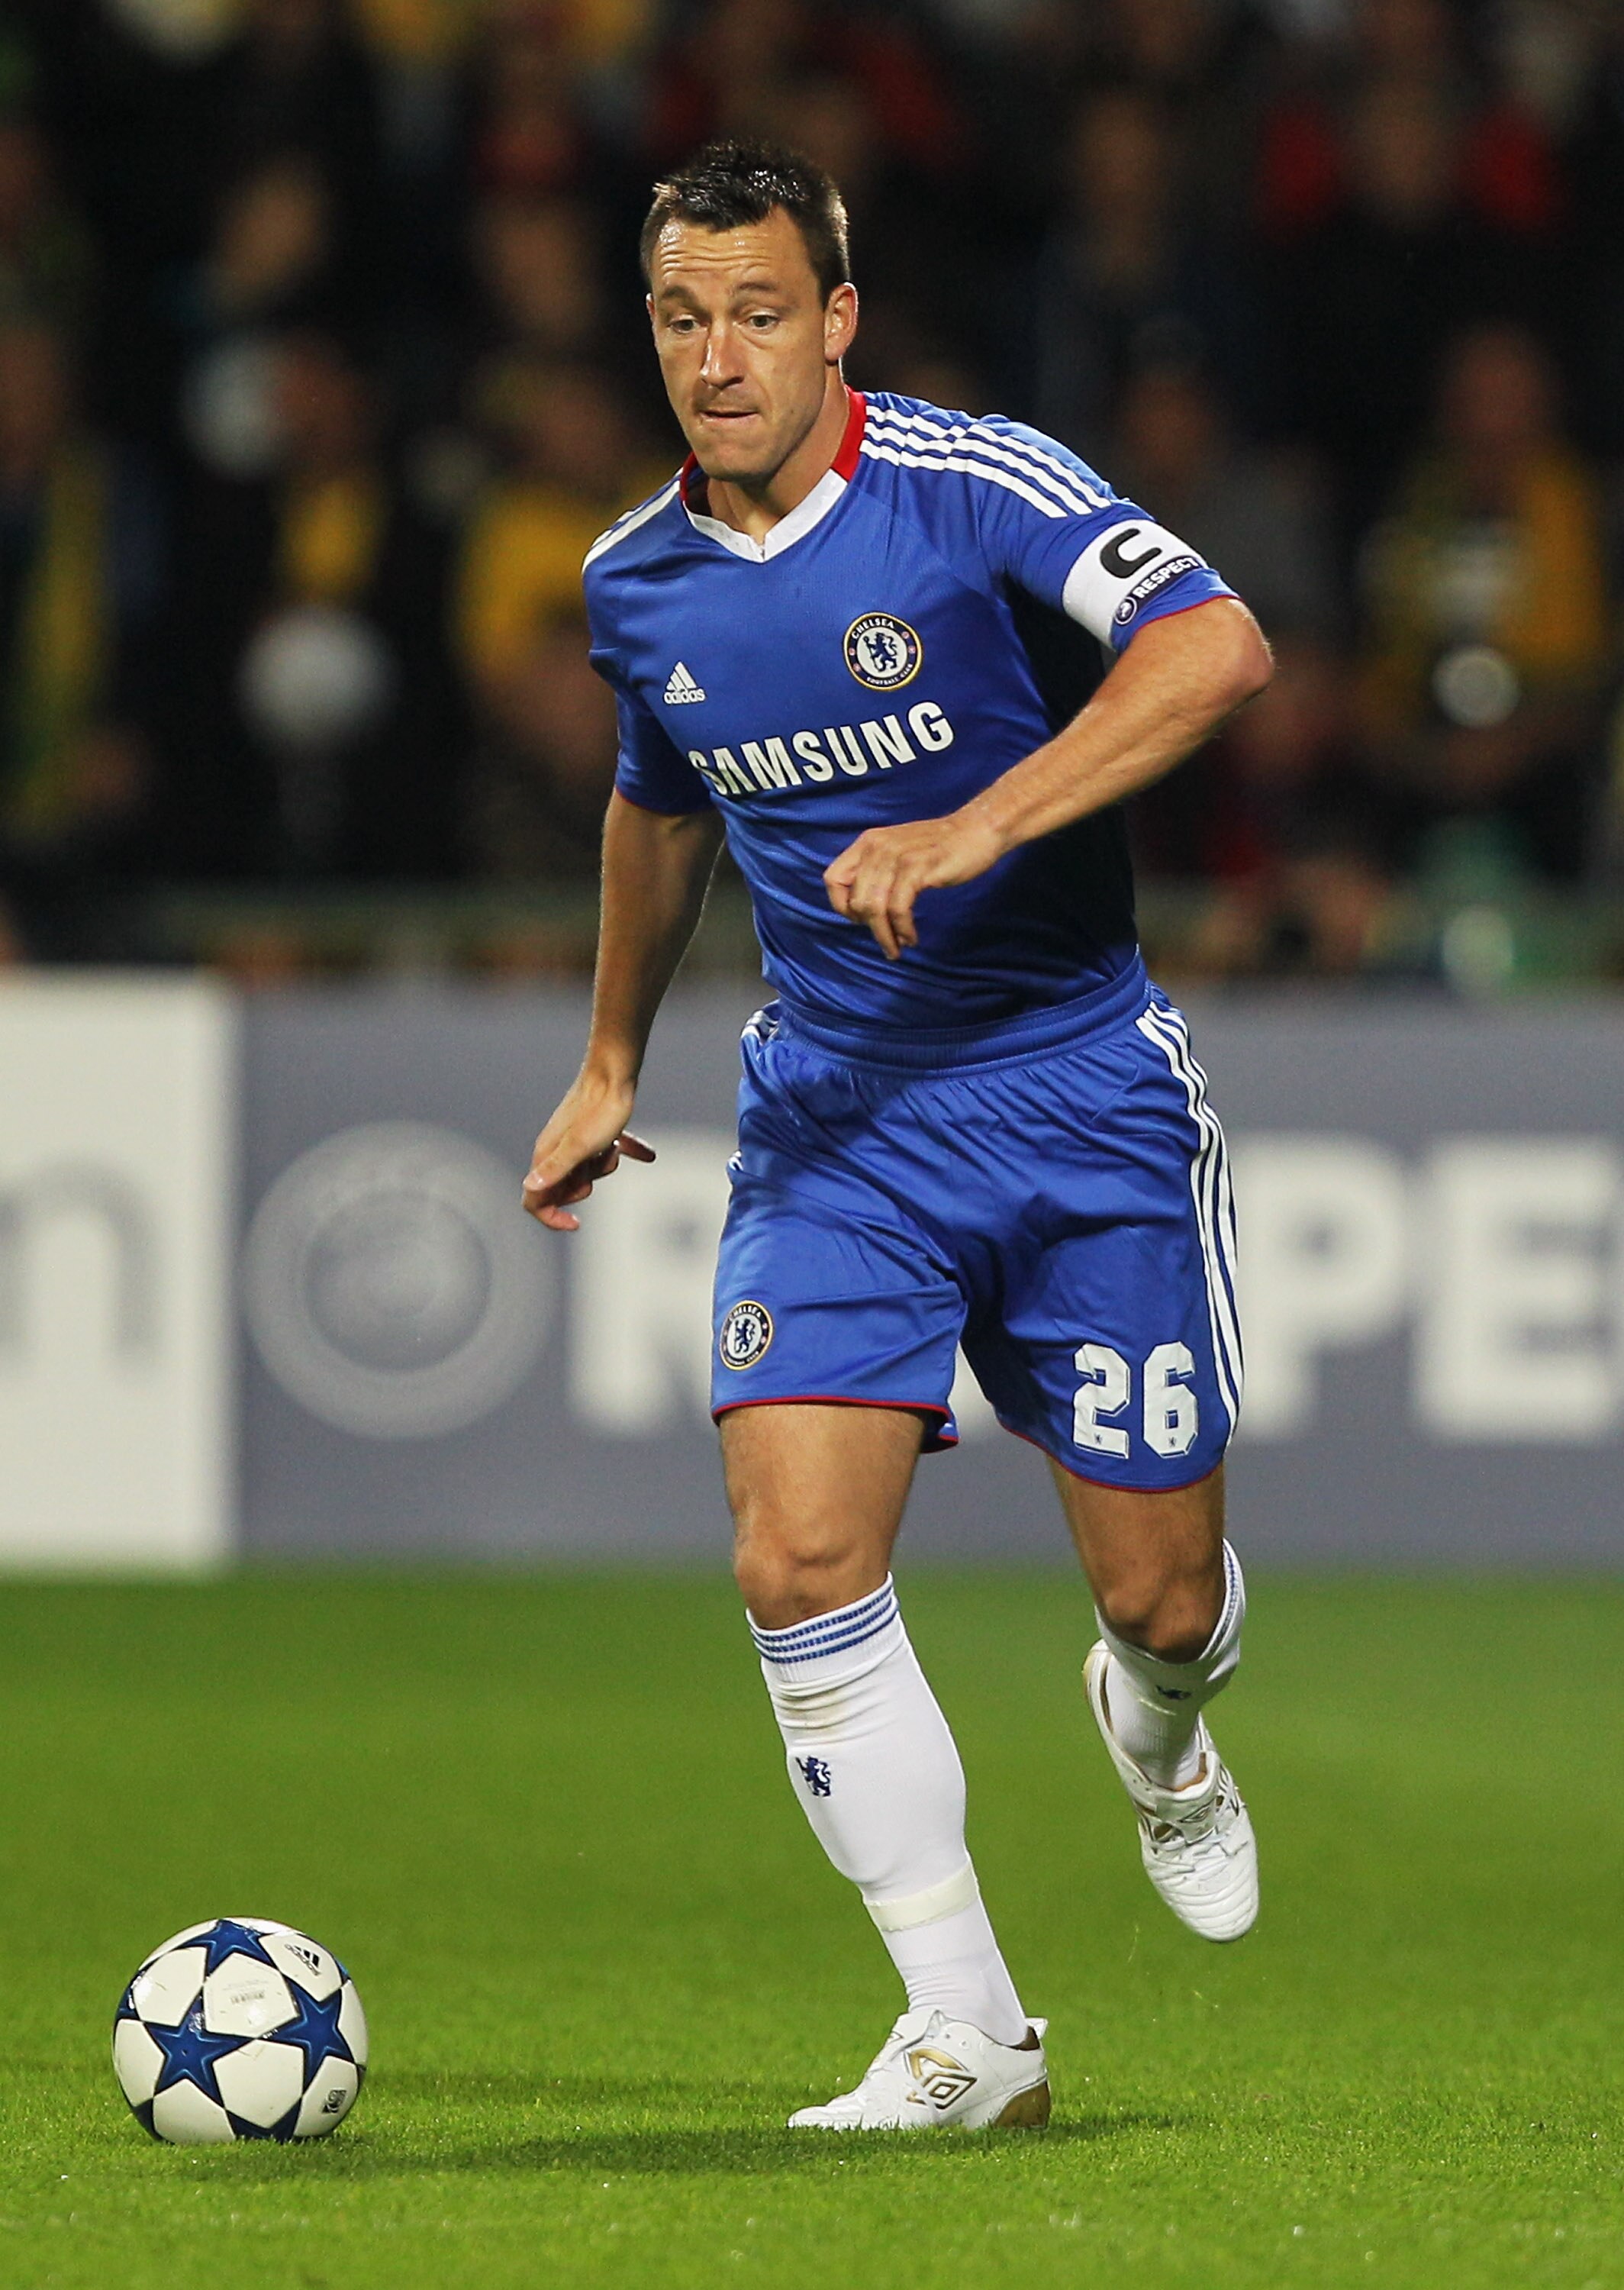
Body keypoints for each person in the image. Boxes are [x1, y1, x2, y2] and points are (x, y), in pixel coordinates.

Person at [522, 140, 1272, 2133]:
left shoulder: (977, 485)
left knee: (1162, 1602)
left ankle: (1166, 1733)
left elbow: (1218, 647)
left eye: (759, 310)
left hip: (1080, 1093)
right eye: (683, 316)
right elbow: (657, 802)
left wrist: (988, 820)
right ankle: (971, 2030)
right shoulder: (634, 580)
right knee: (794, 1557)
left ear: (836, 320)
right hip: (836, 1120)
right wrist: (612, 1056)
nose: (719, 354)